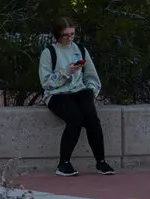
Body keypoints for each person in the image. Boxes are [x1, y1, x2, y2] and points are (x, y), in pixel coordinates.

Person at [40, 16, 112, 176]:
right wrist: (66, 72)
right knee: (75, 119)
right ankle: (64, 163)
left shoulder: (80, 49)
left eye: (72, 34)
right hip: (57, 93)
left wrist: (91, 90)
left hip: (80, 91)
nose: (69, 38)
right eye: (65, 35)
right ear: (58, 34)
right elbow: (46, 83)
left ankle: (101, 162)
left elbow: (92, 75)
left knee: (92, 120)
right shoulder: (49, 52)